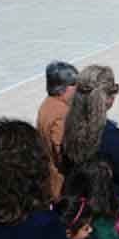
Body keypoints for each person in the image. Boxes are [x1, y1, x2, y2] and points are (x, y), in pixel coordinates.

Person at [61, 66, 119, 204]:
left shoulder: (70, 126)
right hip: (115, 207)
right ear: (108, 99)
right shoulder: (113, 138)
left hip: (84, 202)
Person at [37, 61, 78, 200]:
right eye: (74, 84)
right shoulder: (62, 114)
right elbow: (63, 153)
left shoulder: (47, 104)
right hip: (64, 185)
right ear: (63, 88)